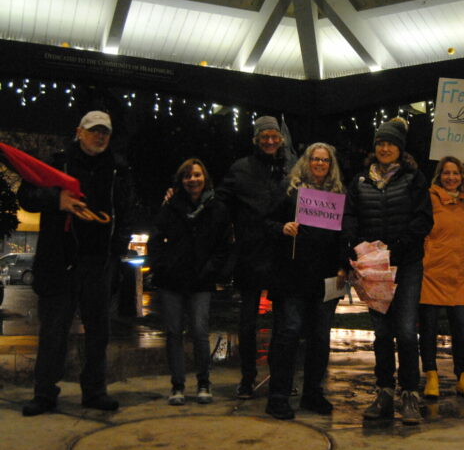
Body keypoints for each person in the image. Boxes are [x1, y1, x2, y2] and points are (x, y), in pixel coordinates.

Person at [18, 111, 135, 416]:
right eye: (94, 130)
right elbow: (26, 194)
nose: (100, 137)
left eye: (105, 132)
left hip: (99, 263)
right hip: (60, 262)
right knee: (53, 332)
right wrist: (57, 201)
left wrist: (116, 252)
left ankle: (95, 391)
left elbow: (126, 211)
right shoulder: (58, 162)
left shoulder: (118, 169)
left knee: (98, 333)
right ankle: (44, 394)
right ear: (79, 132)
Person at [342, 117, 433, 425]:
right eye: (380, 143)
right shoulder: (360, 181)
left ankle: (409, 394)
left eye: (390, 143)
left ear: (400, 148)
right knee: (381, 333)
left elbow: (423, 220)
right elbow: (350, 216)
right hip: (373, 268)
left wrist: (396, 245)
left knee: (406, 331)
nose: (384, 148)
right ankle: (383, 392)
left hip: (405, 265)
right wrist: (357, 245)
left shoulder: (414, 178)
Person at [264, 143, 346, 420]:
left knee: (320, 337)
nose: (320, 164)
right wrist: (281, 228)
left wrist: (343, 266)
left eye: (325, 160)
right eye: (315, 159)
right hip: (292, 276)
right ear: (306, 161)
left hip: (325, 278)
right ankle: (278, 396)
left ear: (331, 164)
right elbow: (265, 222)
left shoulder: (339, 195)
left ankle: (313, 393)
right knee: (289, 333)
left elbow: (345, 235)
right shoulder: (290, 189)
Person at [217, 115, 295, 399]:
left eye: (275, 135)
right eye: (265, 136)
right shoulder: (240, 169)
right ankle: (247, 377)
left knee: (285, 324)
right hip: (250, 254)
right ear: (256, 139)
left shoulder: (291, 168)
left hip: (281, 255)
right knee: (247, 323)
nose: (271, 140)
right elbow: (220, 202)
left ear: (281, 138)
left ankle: (281, 377)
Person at [148, 159, 230, 406]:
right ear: (180, 180)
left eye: (196, 175)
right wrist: (161, 265)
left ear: (204, 177)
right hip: (172, 280)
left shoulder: (216, 207)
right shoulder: (171, 206)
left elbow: (223, 244)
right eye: (187, 176)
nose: (192, 180)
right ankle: (177, 385)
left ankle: (204, 382)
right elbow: (156, 239)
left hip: (201, 280)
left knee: (200, 332)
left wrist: (212, 270)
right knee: (173, 333)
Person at [419, 156, 464, 400]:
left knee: (462, 330)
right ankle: (431, 376)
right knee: (428, 329)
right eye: (447, 173)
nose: (451, 177)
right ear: (439, 175)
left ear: (462, 177)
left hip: (456, 276)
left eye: (456, 173)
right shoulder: (429, 198)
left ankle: (463, 378)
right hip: (431, 273)